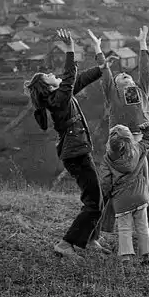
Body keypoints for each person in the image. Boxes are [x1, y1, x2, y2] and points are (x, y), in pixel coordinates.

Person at [23, 29, 112, 259]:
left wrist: (101, 68)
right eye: (48, 76)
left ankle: (91, 238)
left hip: (77, 151)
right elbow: (71, 77)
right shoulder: (59, 99)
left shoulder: (60, 96)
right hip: (76, 154)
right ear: (49, 87)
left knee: (97, 198)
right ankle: (66, 243)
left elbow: (80, 80)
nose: (52, 74)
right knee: (94, 202)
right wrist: (70, 49)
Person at [88, 26, 149, 247]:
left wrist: (143, 43)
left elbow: (145, 69)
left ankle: (148, 233)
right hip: (118, 144)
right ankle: (95, 233)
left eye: (127, 74)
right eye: (120, 76)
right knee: (109, 188)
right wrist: (98, 48)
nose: (124, 75)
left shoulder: (141, 90)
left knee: (143, 189)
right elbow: (105, 73)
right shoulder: (113, 93)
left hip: (139, 144)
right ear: (115, 84)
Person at [100, 122, 149, 265]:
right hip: (140, 195)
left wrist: (108, 194)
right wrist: (147, 128)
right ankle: (147, 256)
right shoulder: (138, 149)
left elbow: (105, 181)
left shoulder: (107, 159)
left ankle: (126, 257)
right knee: (143, 226)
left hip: (121, 199)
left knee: (124, 228)